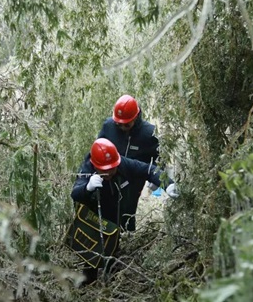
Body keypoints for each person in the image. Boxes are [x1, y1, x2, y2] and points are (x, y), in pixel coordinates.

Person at [71, 138, 179, 285]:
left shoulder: (123, 163)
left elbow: (148, 170)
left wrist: (167, 184)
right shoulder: (87, 168)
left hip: (115, 217)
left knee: (113, 253)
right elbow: (75, 193)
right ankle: (87, 284)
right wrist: (87, 187)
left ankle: (112, 283)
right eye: (104, 170)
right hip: (93, 219)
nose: (109, 173)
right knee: (92, 258)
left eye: (112, 169)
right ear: (95, 165)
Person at [86, 94, 171, 231]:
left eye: (126, 124)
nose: (122, 127)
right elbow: (98, 147)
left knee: (126, 214)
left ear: (136, 118)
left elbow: (161, 156)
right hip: (110, 175)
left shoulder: (149, 133)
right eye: (118, 124)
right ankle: (104, 240)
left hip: (134, 180)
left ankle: (127, 241)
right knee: (105, 211)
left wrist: (158, 178)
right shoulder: (108, 126)